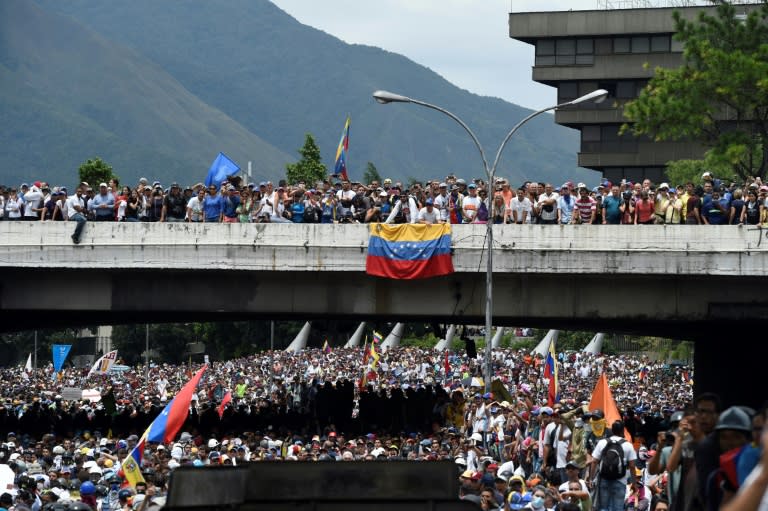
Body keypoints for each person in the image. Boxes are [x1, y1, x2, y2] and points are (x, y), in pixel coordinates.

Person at [591, 420, 638, 511]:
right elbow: (632, 466)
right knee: (618, 508)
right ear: (622, 430)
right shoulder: (628, 445)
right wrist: (634, 483)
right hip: (620, 481)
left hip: (604, 479)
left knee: (603, 507)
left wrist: (591, 478)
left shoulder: (602, 442)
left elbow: (594, 461)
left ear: (612, 430)